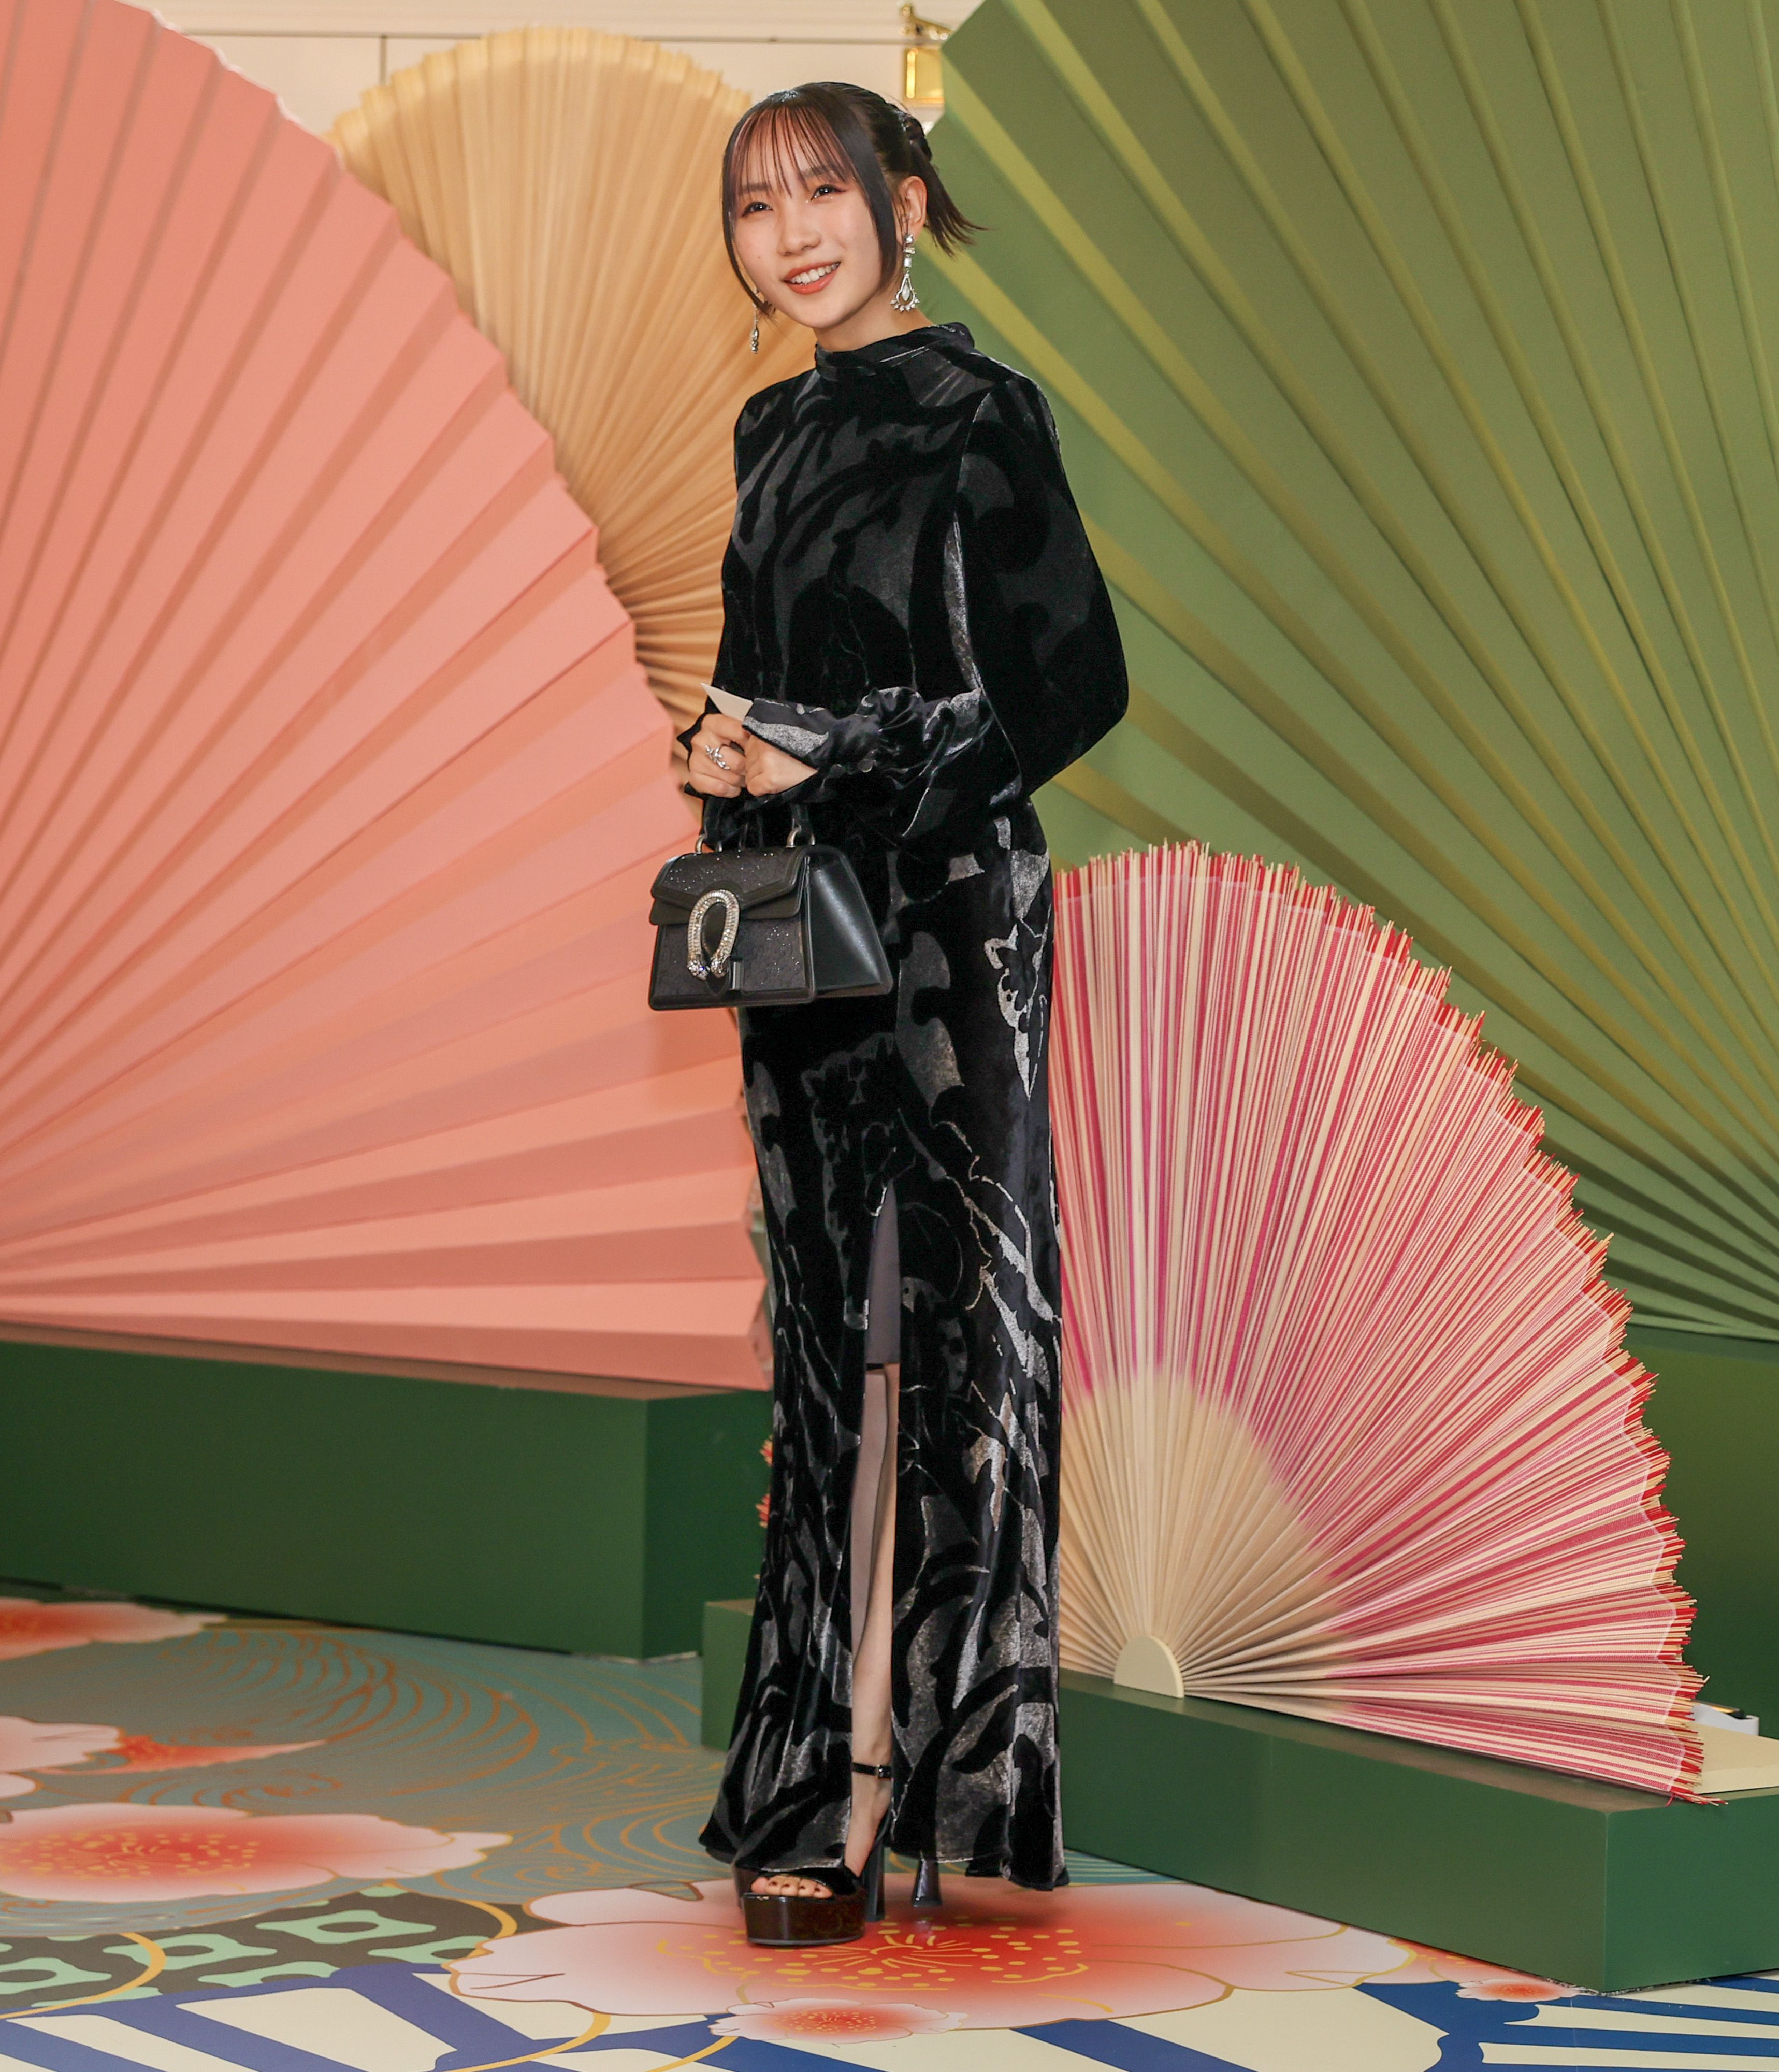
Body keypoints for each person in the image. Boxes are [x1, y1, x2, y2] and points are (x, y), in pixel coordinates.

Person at [682, 80, 1125, 1948]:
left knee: (929, 1338)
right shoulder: (768, 425)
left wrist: (840, 760)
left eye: (822, 195)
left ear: (905, 201)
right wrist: (717, 742)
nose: (793, 236)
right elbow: (769, 678)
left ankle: (889, 1783)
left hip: (946, 930)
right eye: (758, 207)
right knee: (818, 1345)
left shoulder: (982, 410)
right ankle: (815, 1764)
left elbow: (1072, 688)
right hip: (794, 943)